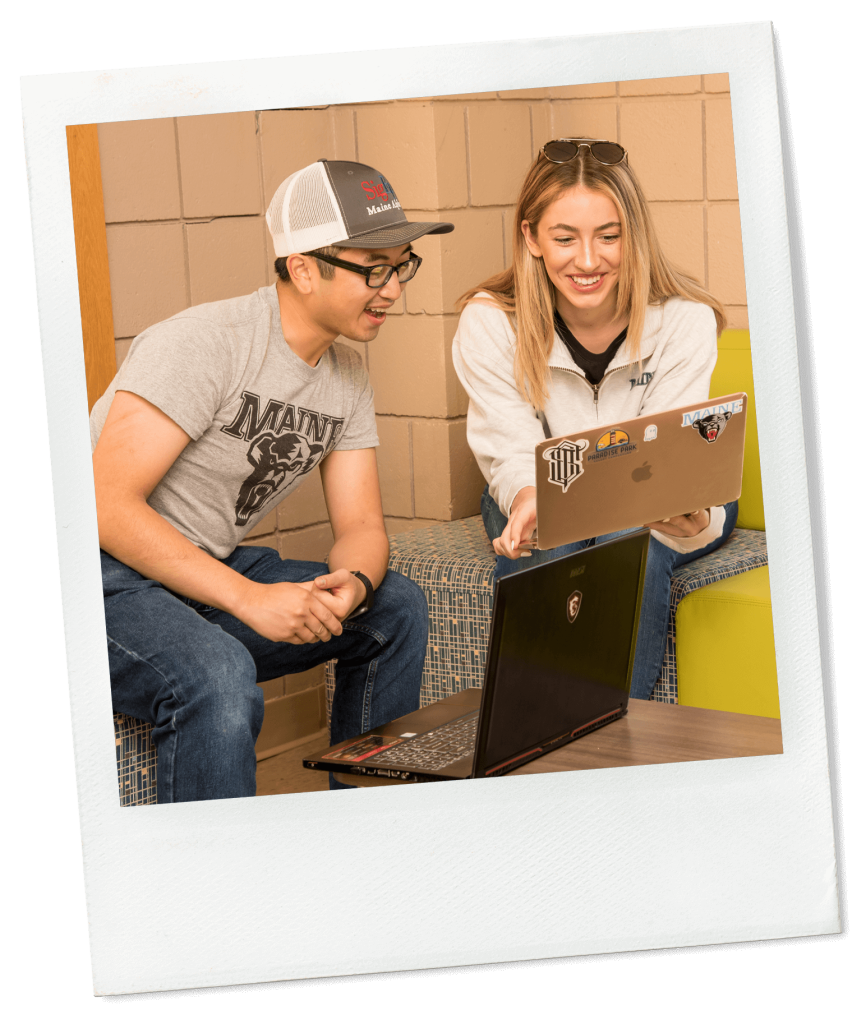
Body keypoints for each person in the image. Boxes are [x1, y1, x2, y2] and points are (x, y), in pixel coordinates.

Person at [93, 158, 455, 802]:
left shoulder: (345, 375)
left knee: (393, 606)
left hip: (196, 571)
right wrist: (246, 598)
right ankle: (226, 887)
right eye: (373, 269)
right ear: (303, 266)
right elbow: (102, 505)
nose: (393, 288)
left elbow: (362, 527)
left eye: (401, 265)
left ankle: (372, 821)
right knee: (219, 672)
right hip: (99, 575)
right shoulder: (204, 343)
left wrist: (354, 585)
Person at [452, 138, 737, 700]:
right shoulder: (488, 322)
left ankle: (615, 748)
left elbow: (667, 465)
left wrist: (687, 512)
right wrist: (531, 498)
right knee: (550, 542)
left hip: (654, 503)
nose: (588, 261)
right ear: (530, 236)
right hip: (538, 488)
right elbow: (510, 450)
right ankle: (526, 736)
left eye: (609, 237)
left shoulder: (686, 320)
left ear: (635, 236)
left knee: (624, 534)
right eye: (564, 238)